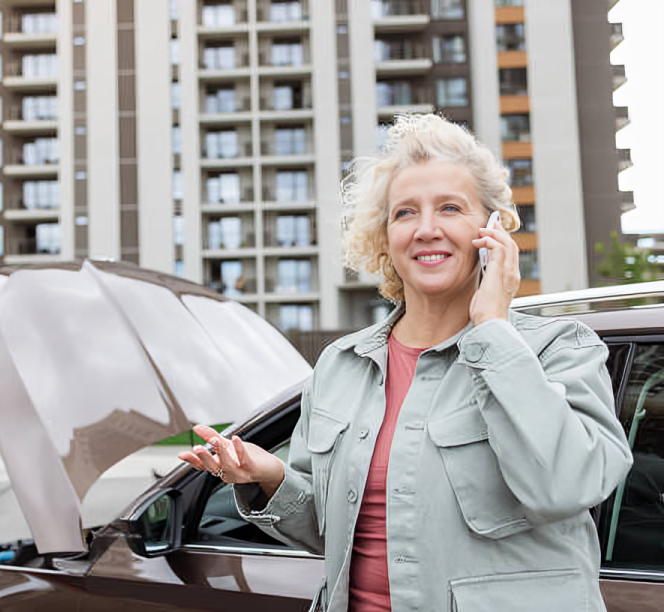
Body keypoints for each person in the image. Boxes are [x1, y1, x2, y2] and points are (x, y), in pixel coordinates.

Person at [179, 114, 633, 612]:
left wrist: (492, 330)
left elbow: (565, 484)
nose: (427, 229)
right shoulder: (341, 364)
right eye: (405, 213)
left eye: (451, 208)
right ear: (384, 236)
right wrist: (271, 477)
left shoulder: (560, 349)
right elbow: (340, 537)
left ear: (492, 229)